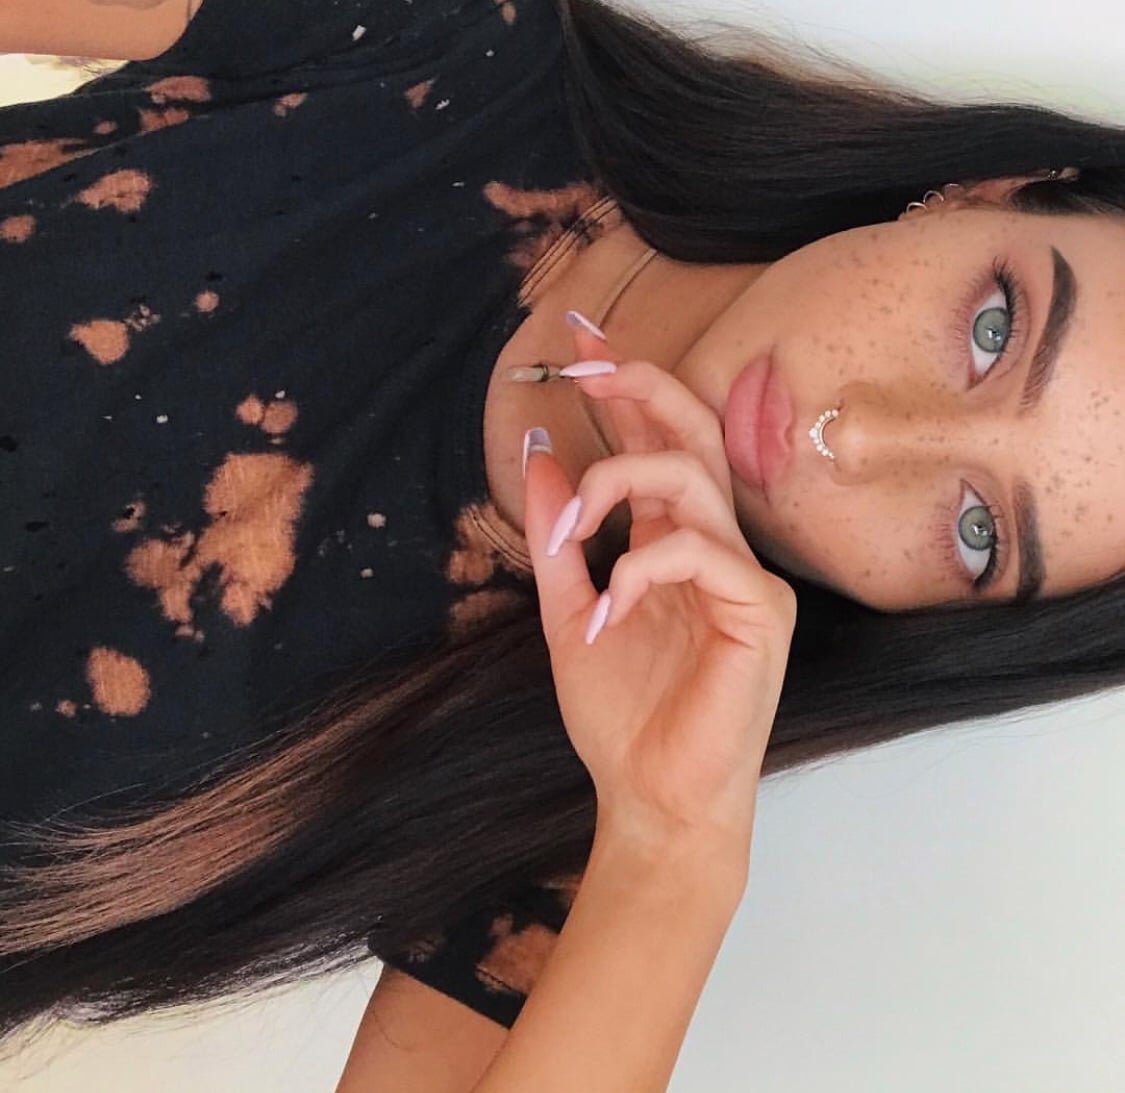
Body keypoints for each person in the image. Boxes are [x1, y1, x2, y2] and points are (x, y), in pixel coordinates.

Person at [2, 0, 1124, 1088]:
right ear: (980, 193)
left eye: (976, 531)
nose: (864, 435)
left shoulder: (583, 774)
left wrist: (671, 848)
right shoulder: (441, 46)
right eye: (995, 328)